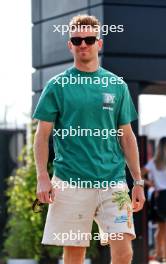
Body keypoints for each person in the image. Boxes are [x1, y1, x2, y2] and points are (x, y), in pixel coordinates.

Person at [32, 14, 145, 264]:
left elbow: (126, 137)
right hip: (70, 181)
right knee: (74, 254)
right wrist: (42, 176)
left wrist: (137, 181)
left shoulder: (117, 85)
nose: (84, 44)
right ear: (70, 44)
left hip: (112, 181)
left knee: (124, 251)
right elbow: (42, 136)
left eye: (89, 39)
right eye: (77, 39)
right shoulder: (57, 86)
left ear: (99, 43)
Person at [142, 137, 166, 264]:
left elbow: (139, 174)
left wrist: (151, 184)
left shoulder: (154, 162)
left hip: (159, 199)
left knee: (162, 230)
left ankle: (160, 255)